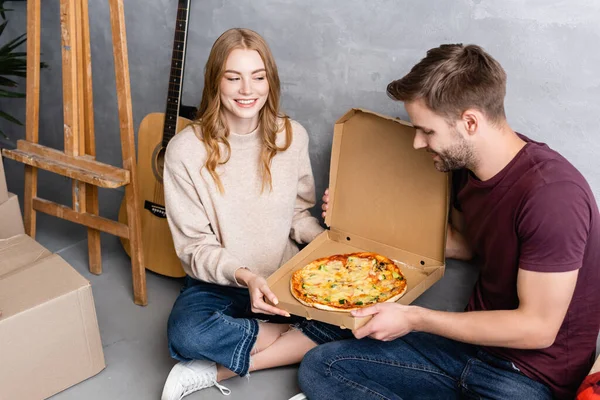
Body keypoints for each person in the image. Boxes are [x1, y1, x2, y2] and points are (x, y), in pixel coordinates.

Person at [298, 44, 600, 400]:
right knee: (322, 367)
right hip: (466, 350)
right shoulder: (465, 169)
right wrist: (356, 216)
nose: (416, 142)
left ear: (470, 122)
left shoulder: (553, 196)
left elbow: (538, 329)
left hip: (529, 377)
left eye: (427, 131)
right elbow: (465, 245)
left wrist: (415, 319)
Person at [160, 28, 352, 400]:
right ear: (216, 82)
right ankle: (294, 341)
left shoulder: (291, 136)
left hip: (284, 279)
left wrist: (338, 237)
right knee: (186, 333)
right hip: (220, 282)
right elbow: (194, 247)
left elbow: (298, 215)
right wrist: (245, 276)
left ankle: (218, 369)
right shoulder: (184, 150)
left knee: (360, 318)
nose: (247, 89)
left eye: (258, 77)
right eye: (233, 78)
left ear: (270, 81)